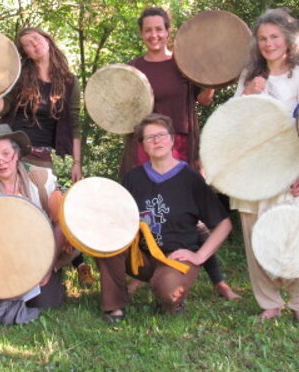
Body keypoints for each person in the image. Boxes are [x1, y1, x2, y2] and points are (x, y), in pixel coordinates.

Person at [120, 6, 240, 301]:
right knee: (145, 211)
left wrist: (211, 76)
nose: (154, 35)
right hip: (145, 146)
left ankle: (218, 279)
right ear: (141, 34)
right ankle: (143, 272)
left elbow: (204, 98)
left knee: (194, 215)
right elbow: (122, 109)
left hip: (181, 144)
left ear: (168, 31)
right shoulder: (133, 68)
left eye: (159, 29)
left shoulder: (184, 63)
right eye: (148, 30)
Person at [97, 114, 233, 322]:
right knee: (106, 242)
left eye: (161, 135)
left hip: (176, 258)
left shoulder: (190, 178)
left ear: (172, 140)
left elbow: (224, 224)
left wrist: (199, 256)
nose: (157, 141)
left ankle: (172, 298)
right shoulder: (133, 178)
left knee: (168, 289)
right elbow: (117, 220)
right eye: (150, 138)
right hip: (141, 258)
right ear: (143, 145)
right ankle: (115, 306)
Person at [232, 8, 299, 328]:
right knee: (256, 234)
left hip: (290, 168)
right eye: (263, 38)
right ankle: (269, 303)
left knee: (297, 234)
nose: (268, 44)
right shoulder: (249, 75)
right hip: (254, 169)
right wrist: (248, 93)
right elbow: (231, 121)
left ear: (289, 40)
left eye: (274, 37)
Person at [0, 27, 93, 286]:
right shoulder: (20, 76)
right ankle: (10, 271)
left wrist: (77, 163)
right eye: (27, 44)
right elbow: (1, 109)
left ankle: (59, 264)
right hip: (13, 153)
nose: (34, 45)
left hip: (42, 156)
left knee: (54, 213)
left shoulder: (68, 82)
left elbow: (74, 123)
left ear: (47, 40)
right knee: (14, 214)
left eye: (36, 39)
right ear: (25, 52)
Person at [0, 123, 73, 324]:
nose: (1, 161)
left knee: (45, 302)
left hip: (41, 254)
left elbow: (60, 224)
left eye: (6, 154)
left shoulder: (41, 178)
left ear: (16, 154)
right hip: (1, 257)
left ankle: (52, 280)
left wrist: (48, 266)